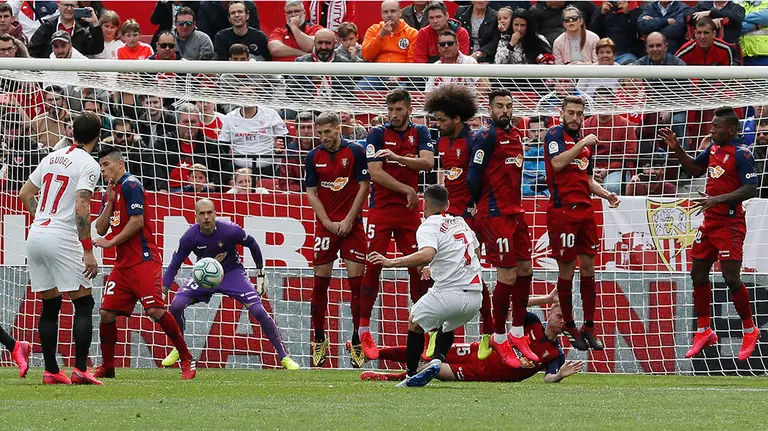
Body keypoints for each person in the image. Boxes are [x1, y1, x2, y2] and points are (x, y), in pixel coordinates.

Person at [659, 107, 760, 360]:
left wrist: (718, 200)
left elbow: (750, 188)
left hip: (730, 223)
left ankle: (750, 329)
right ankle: (704, 330)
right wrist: (676, 148)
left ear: (732, 130)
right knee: (698, 272)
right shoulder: (713, 149)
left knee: (730, 277)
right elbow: (695, 169)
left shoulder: (742, 154)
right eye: (712, 126)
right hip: (710, 222)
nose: (712, 130)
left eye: (716, 127)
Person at [93, 146, 196, 380]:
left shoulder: (132, 185)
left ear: (120, 164)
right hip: (123, 264)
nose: (103, 170)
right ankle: (108, 366)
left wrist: (112, 242)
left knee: (155, 310)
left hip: (143, 259)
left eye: (106, 165)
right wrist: (109, 203)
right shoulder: (110, 191)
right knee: (106, 313)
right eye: (101, 166)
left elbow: (137, 222)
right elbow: (99, 227)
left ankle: (186, 358)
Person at [160, 199, 299, 369]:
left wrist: (261, 272)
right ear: (195, 216)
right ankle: (178, 349)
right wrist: (163, 290)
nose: (206, 217)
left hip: (232, 273)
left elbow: (253, 244)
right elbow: (174, 264)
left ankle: (284, 357)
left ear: (215, 213)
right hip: (205, 276)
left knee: (258, 310)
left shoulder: (230, 230)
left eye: (209, 212)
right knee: (176, 305)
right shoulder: (190, 237)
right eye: (202, 213)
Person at [368, 184, 483, 388]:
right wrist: (436, 267)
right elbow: (476, 251)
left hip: (450, 294)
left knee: (415, 321)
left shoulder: (428, 225)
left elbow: (427, 253)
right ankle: (437, 360)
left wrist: (391, 262)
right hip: (475, 298)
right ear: (447, 204)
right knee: (446, 324)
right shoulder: (461, 222)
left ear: (424, 205)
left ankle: (411, 374)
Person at [18, 112, 103, 385]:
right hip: (63, 236)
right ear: (97, 136)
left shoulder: (51, 157)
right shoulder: (89, 164)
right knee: (83, 301)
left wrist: (42, 218)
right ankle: (79, 369)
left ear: (73, 132)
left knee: (50, 305)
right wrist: (88, 249)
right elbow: (82, 206)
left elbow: (25, 194)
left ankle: (52, 370)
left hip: (37, 231)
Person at [359, 89, 435, 360]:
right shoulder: (376, 134)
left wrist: (399, 158)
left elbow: (427, 163)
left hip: (408, 212)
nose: (394, 115)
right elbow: (376, 173)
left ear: (409, 110)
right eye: (390, 110)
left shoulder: (421, 133)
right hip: (381, 209)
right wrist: (406, 187)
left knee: (418, 267)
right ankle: (363, 330)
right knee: (373, 264)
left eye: (399, 110)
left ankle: (424, 328)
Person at [543, 95, 620, 351]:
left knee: (589, 269)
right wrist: (583, 143)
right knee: (567, 271)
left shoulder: (585, 145)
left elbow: (587, 180)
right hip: (562, 212)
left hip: (586, 211)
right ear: (562, 114)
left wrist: (606, 194)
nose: (575, 118)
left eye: (579, 114)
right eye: (571, 113)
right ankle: (570, 324)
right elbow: (557, 163)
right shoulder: (554, 135)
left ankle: (589, 326)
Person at [362, 296, 585, 384]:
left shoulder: (555, 354)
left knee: (433, 367)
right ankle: (375, 353)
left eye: (566, 317)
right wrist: (546, 298)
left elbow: (548, 379)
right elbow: (509, 303)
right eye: (559, 314)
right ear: (549, 314)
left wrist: (560, 376)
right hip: (479, 351)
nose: (562, 319)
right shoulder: (532, 322)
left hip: (481, 374)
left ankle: (389, 377)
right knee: (428, 353)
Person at [467, 88, 536, 368]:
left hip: (515, 211)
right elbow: (473, 175)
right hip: (495, 214)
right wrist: (477, 204)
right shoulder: (486, 136)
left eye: (508, 105)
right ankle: (497, 336)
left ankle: (517, 332)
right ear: (490, 108)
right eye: (499, 106)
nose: (504, 110)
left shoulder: (516, 134)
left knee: (526, 270)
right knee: (506, 276)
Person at [424, 84, 494, 343]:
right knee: (443, 276)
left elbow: (484, 175)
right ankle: (437, 335)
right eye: (436, 119)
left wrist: (476, 202)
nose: (438, 124)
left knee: (473, 276)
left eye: (442, 119)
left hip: (470, 217)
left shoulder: (474, 140)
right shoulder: (441, 141)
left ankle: (488, 331)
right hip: (450, 218)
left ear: (456, 118)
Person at [304, 113, 370, 368]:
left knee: (357, 286)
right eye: (320, 134)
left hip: (352, 227)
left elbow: (364, 186)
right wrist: (328, 223)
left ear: (338, 129)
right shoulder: (313, 157)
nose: (324, 138)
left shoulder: (354, 152)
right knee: (320, 284)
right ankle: (319, 339)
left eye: (328, 132)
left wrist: (349, 220)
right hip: (326, 227)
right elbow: (311, 192)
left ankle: (356, 340)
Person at [28, 1, 103, 58]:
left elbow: (97, 49)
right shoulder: (47, 27)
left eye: (72, 6)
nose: (69, 9)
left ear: (77, 7)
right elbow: (32, 51)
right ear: (59, 7)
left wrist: (95, 24)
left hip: (74, 75)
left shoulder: (82, 32)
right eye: (66, 5)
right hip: (49, 74)